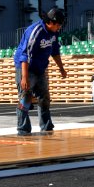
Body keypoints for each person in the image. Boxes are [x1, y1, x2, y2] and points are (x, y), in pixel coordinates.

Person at [14, 8, 67, 136]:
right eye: (58, 25)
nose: (60, 27)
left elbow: (55, 51)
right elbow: (24, 55)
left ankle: (46, 126)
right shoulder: (35, 32)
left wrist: (61, 68)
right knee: (25, 97)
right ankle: (23, 129)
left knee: (44, 97)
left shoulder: (54, 33)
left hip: (40, 68)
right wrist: (24, 77)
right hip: (26, 67)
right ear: (51, 22)